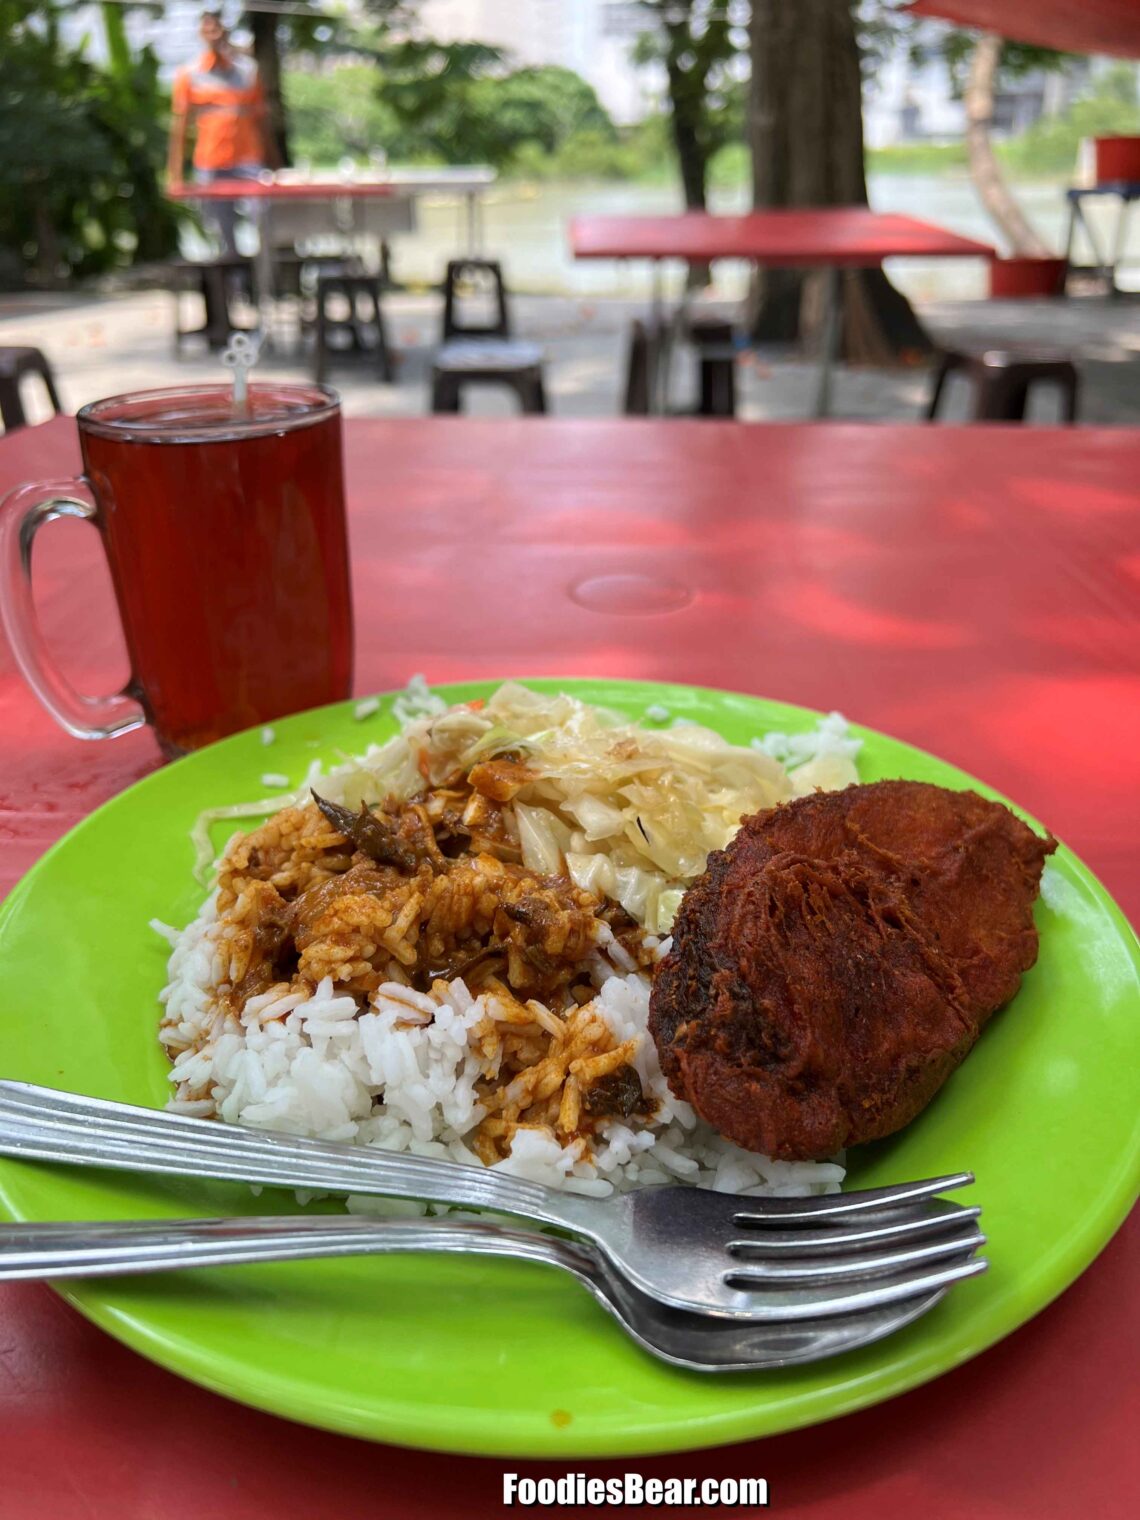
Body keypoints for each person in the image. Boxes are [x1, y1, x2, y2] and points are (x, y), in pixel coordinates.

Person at [167, 10, 275, 255]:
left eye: (216, 28)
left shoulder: (248, 71)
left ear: (226, 31)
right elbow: (180, 127)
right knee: (219, 226)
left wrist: (274, 163)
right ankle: (232, 277)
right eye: (207, 30)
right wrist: (174, 174)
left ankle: (264, 274)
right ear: (200, 35)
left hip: (248, 158)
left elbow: (262, 120)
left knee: (262, 215)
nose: (213, 34)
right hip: (210, 161)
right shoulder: (189, 74)